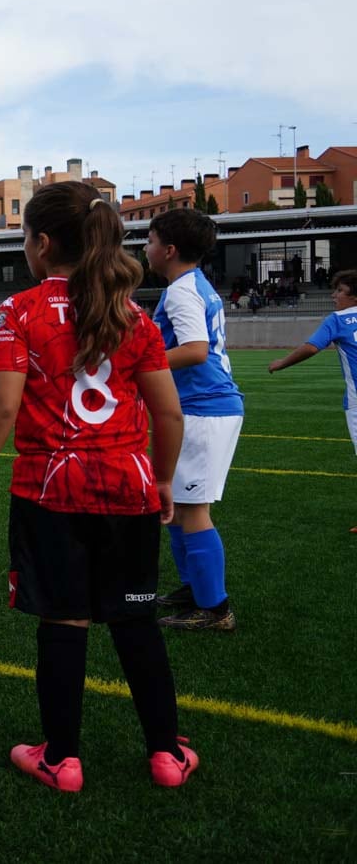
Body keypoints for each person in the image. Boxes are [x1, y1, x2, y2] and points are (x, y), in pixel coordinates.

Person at [0, 181, 194, 794]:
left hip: (50, 492)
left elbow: (3, 405)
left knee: (64, 621)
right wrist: (161, 478)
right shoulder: (133, 313)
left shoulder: (20, 310)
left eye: (25, 236)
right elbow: (169, 414)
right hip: (127, 490)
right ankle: (166, 754)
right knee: (136, 621)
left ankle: (62, 759)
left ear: (43, 242)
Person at [144, 209, 244, 632]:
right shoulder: (190, 285)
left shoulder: (183, 290)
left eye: (148, 241)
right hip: (200, 407)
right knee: (179, 508)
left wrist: (139, 365)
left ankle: (215, 609)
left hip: (204, 408)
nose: (144, 249)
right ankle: (194, 590)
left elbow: (196, 350)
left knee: (194, 509)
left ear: (168, 250)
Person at [267, 270, 357, 533]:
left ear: (353, 295)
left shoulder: (338, 319)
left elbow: (311, 347)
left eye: (339, 291)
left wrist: (281, 363)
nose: (333, 296)